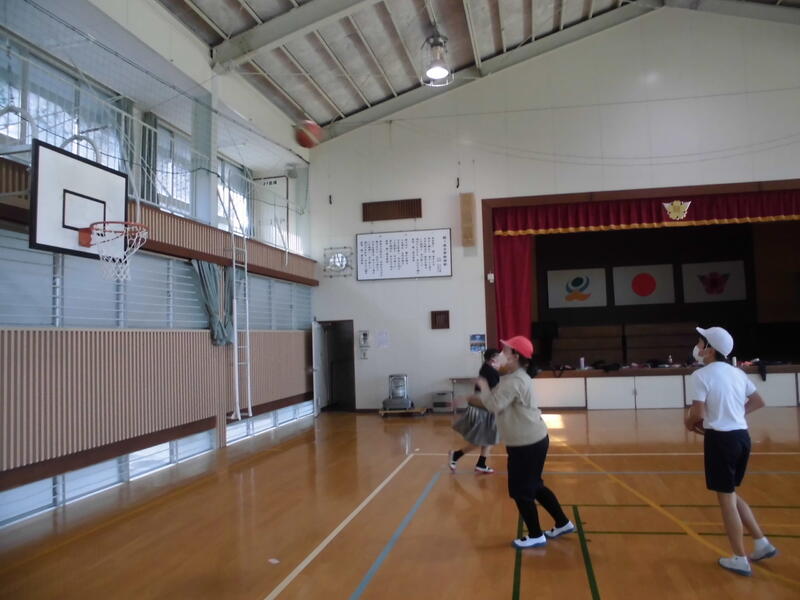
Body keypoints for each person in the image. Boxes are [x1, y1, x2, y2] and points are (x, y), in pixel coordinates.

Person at [684, 326, 778, 576]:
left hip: (721, 441)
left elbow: (697, 413)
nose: (698, 346)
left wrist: (688, 423)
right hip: (741, 437)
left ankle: (739, 557)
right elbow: (758, 401)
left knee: (725, 500)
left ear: (710, 349)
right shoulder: (737, 373)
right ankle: (761, 543)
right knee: (730, 493)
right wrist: (735, 414)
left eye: (701, 342)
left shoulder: (701, 375)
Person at [468, 335, 574, 548]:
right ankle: (563, 523)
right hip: (533, 440)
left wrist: (483, 386)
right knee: (535, 486)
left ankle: (535, 535)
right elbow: (498, 399)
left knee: (520, 491)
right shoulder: (515, 377)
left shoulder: (515, 381)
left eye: (505, 351)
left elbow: (494, 405)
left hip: (527, 444)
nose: (500, 354)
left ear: (515, 356)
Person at [449, 348, 502, 474]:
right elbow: (491, 393)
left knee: (489, 438)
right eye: (498, 357)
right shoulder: (490, 372)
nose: (501, 359)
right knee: (482, 439)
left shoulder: (487, 369)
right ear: (492, 359)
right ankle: (456, 455)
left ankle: (481, 464)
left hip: (486, 409)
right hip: (482, 410)